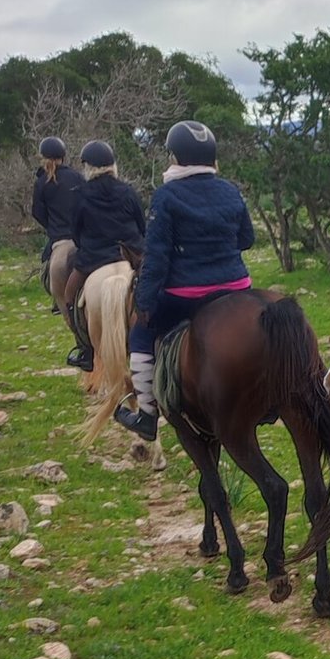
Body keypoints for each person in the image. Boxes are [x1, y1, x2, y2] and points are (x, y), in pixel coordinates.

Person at [114, 120, 255, 442]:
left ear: (175, 156)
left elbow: (157, 257)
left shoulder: (166, 196)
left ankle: (146, 414)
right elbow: (247, 238)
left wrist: (145, 302)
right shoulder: (230, 190)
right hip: (237, 288)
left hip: (186, 295)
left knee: (140, 334)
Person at [61, 140, 146, 368]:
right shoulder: (128, 191)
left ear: (88, 167)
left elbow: (75, 233)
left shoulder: (80, 195)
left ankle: (85, 349)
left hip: (93, 259)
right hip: (129, 256)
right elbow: (142, 226)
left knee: (69, 296)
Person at [30, 136, 85, 318]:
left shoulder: (41, 182)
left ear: (43, 157)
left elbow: (37, 212)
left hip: (59, 238)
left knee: (47, 265)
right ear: (63, 156)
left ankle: (57, 300)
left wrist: (51, 226)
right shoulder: (77, 177)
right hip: (81, 236)